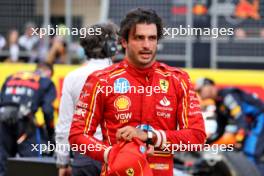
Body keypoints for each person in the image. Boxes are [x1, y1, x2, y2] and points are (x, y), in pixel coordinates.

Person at [69, 8, 206, 176]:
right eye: (139, 38)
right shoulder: (101, 80)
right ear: (124, 41)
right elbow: (77, 136)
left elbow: (197, 138)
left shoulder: (178, 80)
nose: (147, 45)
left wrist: (150, 136)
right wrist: (112, 155)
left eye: (152, 38)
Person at [55, 22, 118, 176]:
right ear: (111, 47)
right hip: (118, 156)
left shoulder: (72, 77)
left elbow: (64, 126)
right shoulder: (123, 76)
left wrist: (62, 162)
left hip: (84, 158)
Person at [195, 77, 264, 174]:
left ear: (208, 86)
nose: (199, 93)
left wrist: (240, 139)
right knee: (244, 155)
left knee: (251, 154)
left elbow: (240, 117)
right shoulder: (219, 103)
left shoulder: (227, 96)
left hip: (260, 118)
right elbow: (220, 129)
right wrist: (205, 143)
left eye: (200, 90)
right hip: (253, 124)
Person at [0, 62, 56, 176]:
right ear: (49, 73)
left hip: (2, 122)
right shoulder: (46, 81)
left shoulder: (11, 77)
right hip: (24, 124)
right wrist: (50, 132)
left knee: (3, 165)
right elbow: (47, 110)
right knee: (32, 165)